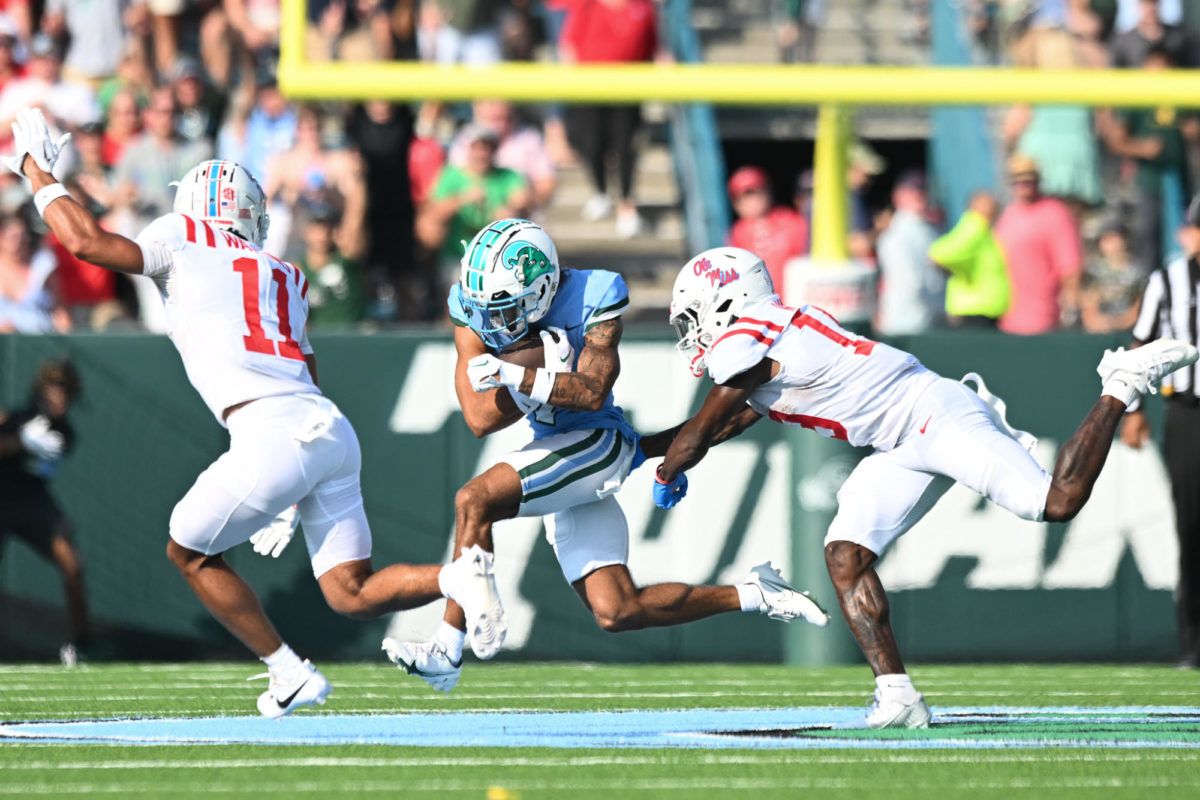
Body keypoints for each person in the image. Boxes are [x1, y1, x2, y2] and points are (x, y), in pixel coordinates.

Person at [2, 107, 504, 716]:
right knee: (350, 592)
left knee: (188, 552)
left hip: (270, 430)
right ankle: (455, 577)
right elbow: (307, 371)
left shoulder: (182, 234)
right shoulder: (285, 273)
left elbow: (85, 242)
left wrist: (37, 172)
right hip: (326, 428)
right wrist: (291, 494)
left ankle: (288, 672)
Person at [642, 245, 1196, 727]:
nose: (691, 331)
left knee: (1055, 501)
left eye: (693, 316)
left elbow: (703, 429)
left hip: (933, 415)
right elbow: (724, 423)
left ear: (726, 299)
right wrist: (641, 449)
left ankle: (1120, 385)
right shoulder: (770, 335)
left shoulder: (748, 338)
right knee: (845, 555)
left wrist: (666, 470)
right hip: (900, 440)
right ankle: (898, 696)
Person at [382, 218, 829, 692]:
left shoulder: (594, 296)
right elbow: (478, 418)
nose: (492, 323)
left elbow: (593, 392)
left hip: (596, 443)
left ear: (542, 290)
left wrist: (520, 375)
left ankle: (447, 648)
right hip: (560, 448)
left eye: (506, 308)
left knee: (474, 500)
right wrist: (537, 374)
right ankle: (758, 594)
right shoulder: (472, 303)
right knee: (617, 610)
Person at [1122, 194, 1200, 668]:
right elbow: (1140, 346)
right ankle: (1193, 641)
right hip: (1188, 413)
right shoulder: (1166, 282)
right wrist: (1133, 410)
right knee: (1191, 524)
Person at [0, 359, 88, 666]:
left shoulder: (65, 433)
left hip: (32, 501)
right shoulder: (16, 418)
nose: (60, 397)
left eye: (66, 391)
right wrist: (21, 440)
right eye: (54, 389)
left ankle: (81, 644)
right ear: (41, 390)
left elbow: (49, 459)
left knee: (72, 564)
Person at [561, 0, 659, 239]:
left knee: (626, 147)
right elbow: (569, 45)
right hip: (589, 89)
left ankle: (626, 204)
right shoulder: (588, 7)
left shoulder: (643, 9)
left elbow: (652, 49)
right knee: (592, 144)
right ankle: (601, 192)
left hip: (627, 90)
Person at [419, 124, 529, 279]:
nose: (482, 154)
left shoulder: (508, 176)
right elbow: (432, 213)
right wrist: (462, 199)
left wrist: (508, 213)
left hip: (495, 257)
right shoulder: (451, 175)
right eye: (477, 148)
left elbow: (521, 201)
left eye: (487, 148)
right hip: (458, 254)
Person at [994, 154, 1083, 334]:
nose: (1023, 186)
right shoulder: (1008, 215)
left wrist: (1071, 308)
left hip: (1043, 320)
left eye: (1029, 180)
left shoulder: (1055, 213)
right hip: (1006, 320)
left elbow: (1070, 267)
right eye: (1017, 181)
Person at [927, 191, 1011, 328]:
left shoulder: (984, 229)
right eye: (987, 203)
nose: (994, 207)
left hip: (984, 313)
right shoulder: (974, 226)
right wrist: (948, 268)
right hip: (974, 314)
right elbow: (938, 254)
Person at [875, 170, 943, 335]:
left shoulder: (930, 230)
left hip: (930, 321)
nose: (919, 195)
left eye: (922, 190)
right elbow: (910, 282)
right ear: (897, 196)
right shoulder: (896, 234)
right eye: (912, 191)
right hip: (905, 322)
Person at [725, 166, 808, 293]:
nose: (752, 200)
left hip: (793, 298)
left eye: (755, 192)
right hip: (757, 300)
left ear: (767, 192)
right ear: (736, 203)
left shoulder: (791, 221)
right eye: (745, 195)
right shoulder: (737, 233)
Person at [1080, 219, 1146, 334]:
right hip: (1098, 333)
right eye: (1105, 239)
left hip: (1130, 333)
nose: (1111, 244)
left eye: (1114, 238)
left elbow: (1138, 310)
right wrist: (1105, 324)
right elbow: (1089, 313)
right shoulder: (1093, 271)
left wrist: (1119, 323)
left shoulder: (1137, 272)